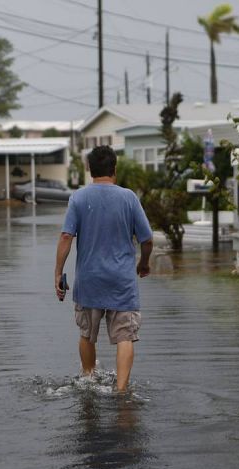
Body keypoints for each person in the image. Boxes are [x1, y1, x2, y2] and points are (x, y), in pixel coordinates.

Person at [54, 145, 153, 392]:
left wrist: (58, 273)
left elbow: (67, 236)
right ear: (114, 169)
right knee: (125, 337)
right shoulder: (129, 198)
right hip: (122, 281)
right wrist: (144, 263)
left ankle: (88, 381)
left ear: (89, 170)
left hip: (90, 281)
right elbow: (147, 239)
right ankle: (121, 392)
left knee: (87, 334)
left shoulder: (78, 198)